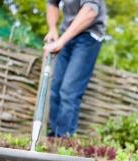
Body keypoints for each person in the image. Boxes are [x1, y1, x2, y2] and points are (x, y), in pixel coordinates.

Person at [44, 0, 106, 137]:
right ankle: (53, 137)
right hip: (67, 33)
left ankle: (64, 142)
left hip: (89, 35)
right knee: (55, 89)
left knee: (69, 90)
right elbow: (52, 4)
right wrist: (52, 28)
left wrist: (61, 41)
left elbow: (90, 11)